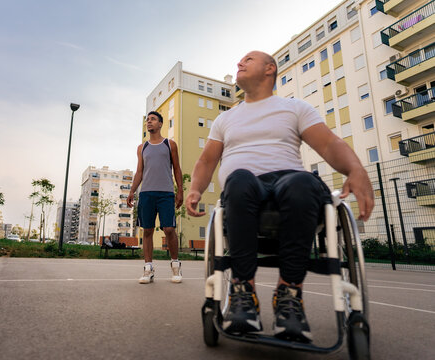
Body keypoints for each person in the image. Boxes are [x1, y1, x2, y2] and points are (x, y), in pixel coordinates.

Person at [186, 51, 374, 342]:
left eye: (248, 59)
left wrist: (356, 169)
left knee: (302, 183)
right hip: (245, 187)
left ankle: (289, 296)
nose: (239, 63)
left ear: (270, 69)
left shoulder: (294, 108)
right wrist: (196, 188)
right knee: (238, 180)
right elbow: (207, 161)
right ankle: (243, 294)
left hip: (289, 182)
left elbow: (329, 145)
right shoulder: (226, 119)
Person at [127, 111, 184, 284]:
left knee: (169, 229)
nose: (149, 122)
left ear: (160, 124)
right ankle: (148, 269)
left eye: (153, 120)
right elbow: (139, 172)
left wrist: (180, 190)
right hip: (146, 194)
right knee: (148, 231)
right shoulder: (142, 147)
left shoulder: (170, 144)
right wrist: (132, 191)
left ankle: (175, 266)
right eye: (147, 120)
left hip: (166, 193)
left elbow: (177, 168)